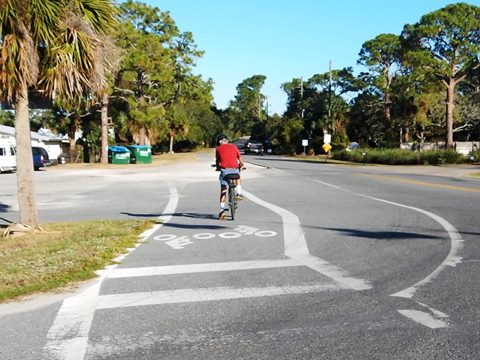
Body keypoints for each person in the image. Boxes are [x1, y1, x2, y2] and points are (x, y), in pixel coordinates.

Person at [215, 134, 245, 220]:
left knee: (223, 190)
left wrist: (217, 168)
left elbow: (217, 161)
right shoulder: (234, 147)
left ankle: (221, 211)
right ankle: (238, 194)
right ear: (227, 141)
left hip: (225, 171)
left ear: (220, 142)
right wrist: (242, 165)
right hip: (235, 170)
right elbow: (240, 158)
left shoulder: (218, 149)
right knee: (238, 177)